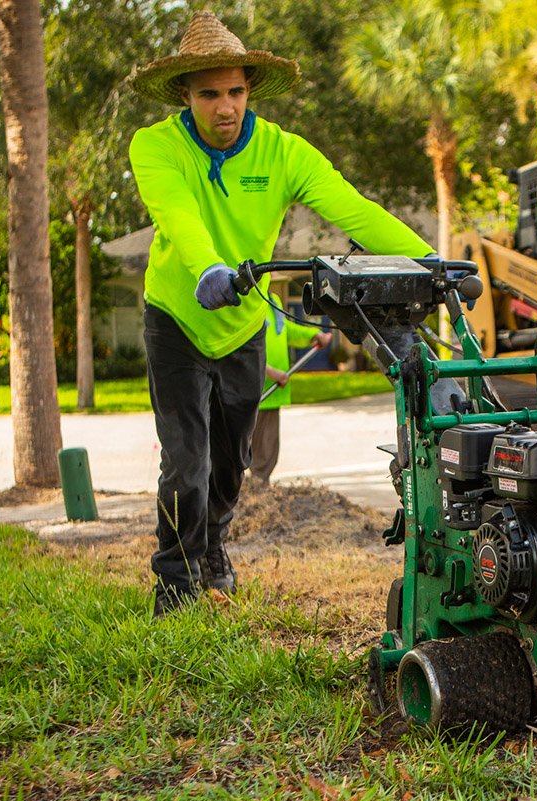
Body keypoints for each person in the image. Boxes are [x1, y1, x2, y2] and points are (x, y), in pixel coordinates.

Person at [127, 11, 432, 616]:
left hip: (242, 326)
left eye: (235, 91)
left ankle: (212, 549)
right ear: (186, 95)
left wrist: (431, 261)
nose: (225, 106)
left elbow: (354, 208)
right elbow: (178, 216)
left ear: (249, 91)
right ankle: (175, 583)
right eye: (209, 93)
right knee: (186, 461)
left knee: (231, 467)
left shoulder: (282, 152)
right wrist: (207, 268)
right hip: (177, 318)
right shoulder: (156, 145)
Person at [248, 304, 332, 490]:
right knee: (248, 452)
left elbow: (285, 329)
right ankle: (250, 495)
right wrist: (268, 371)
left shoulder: (272, 301)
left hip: (272, 394)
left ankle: (259, 495)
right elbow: (241, 345)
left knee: (267, 453)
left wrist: (313, 335)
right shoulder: (248, 300)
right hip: (253, 391)